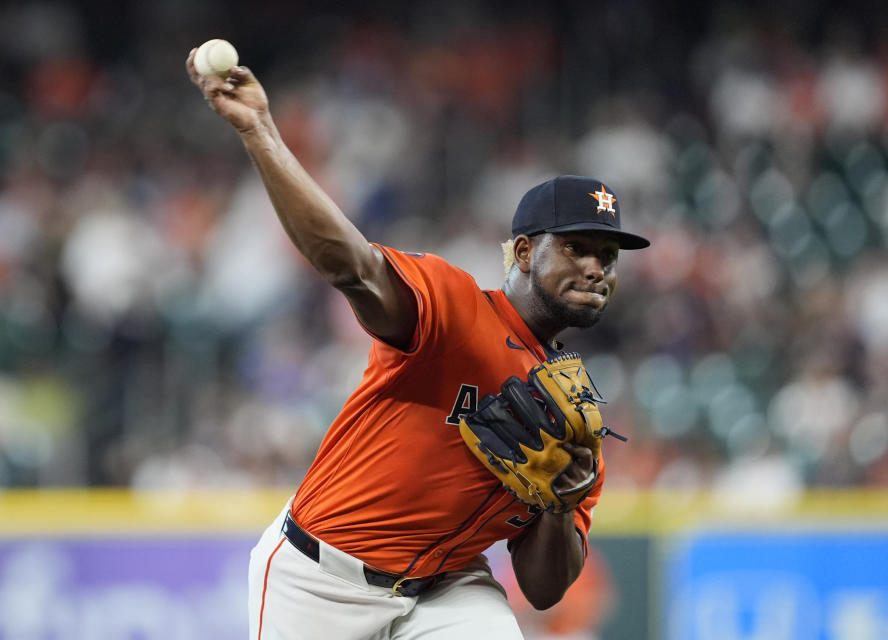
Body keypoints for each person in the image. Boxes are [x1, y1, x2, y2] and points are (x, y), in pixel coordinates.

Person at [186, 48, 650, 640]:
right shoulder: (452, 307)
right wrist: (260, 131)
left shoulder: (575, 415)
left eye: (607, 256)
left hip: (450, 588)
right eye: (577, 248)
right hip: (321, 580)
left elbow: (542, 589)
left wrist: (562, 501)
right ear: (527, 252)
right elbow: (349, 264)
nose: (596, 267)